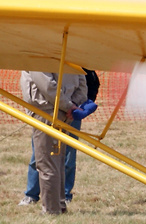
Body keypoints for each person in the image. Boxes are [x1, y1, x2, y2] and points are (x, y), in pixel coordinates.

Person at [17, 71, 96, 215]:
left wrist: (68, 106)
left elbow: (47, 86)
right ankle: (59, 204)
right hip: (64, 112)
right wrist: (73, 105)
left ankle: (51, 210)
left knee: (46, 162)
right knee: (58, 160)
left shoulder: (39, 54)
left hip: (46, 111)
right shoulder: (69, 55)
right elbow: (82, 83)